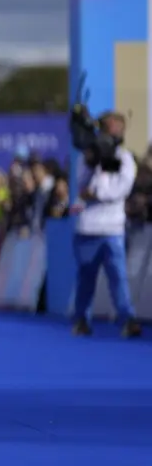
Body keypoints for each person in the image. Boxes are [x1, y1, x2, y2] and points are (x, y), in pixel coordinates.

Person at [71, 111, 142, 338]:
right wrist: (94, 165)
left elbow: (122, 188)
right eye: (110, 127)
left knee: (118, 277)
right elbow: (80, 184)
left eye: (118, 128)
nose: (114, 131)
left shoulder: (125, 158)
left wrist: (97, 193)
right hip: (87, 227)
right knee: (86, 278)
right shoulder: (86, 157)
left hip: (113, 228)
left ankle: (127, 319)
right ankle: (82, 319)